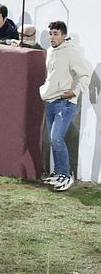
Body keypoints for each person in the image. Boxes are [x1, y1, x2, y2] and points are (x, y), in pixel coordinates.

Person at [39, 21, 92, 191]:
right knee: (53, 139)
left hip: (65, 102)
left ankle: (67, 175)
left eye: (55, 34)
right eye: (50, 33)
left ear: (63, 35)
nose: (52, 37)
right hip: (50, 101)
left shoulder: (70, 52)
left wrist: (75, 91)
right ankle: (58, 173)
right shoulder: (50, 51)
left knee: (56, 138)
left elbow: (85, 74)